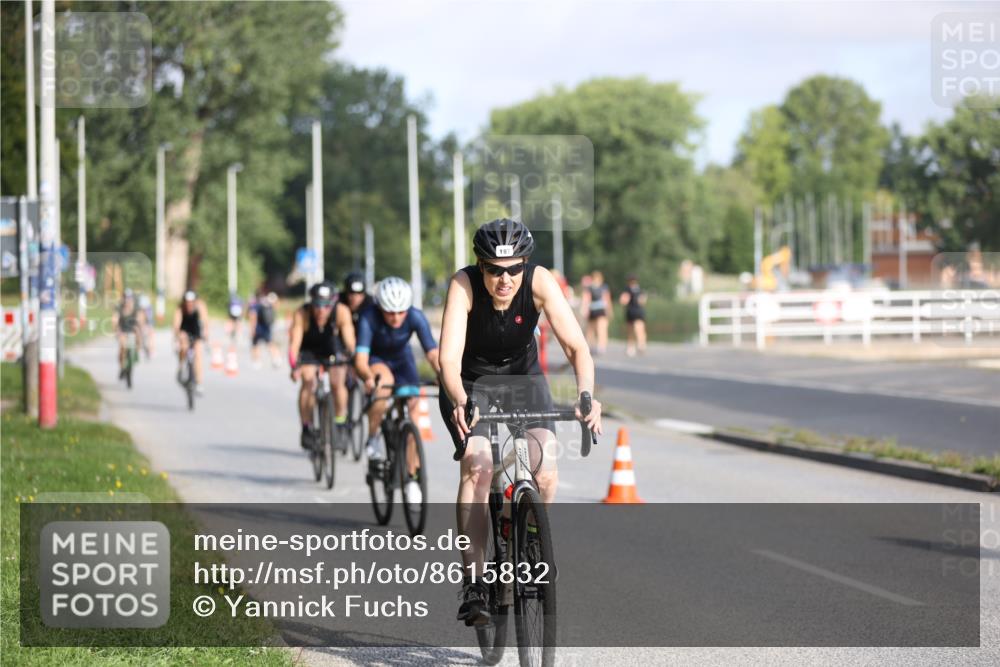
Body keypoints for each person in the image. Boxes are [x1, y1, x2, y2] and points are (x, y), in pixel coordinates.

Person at [437, 218, 603, 625]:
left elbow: (577, 347)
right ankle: (475, 581)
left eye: (514, 268)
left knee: (544, 470)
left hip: (523, 379)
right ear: (480, 266)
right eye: (494, 269)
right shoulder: (463, 285)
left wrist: (585, 395)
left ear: (525, 264)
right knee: (478, 467)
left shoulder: (540, 282)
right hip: (469, 383)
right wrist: (460, 399)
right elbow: (447, 359)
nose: (505, 278)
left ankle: (529, 544)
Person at [354, 277, 440, 498]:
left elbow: (432, 353)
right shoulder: (369, 317)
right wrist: (368, 378)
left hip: (403, 361)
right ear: (380, 307)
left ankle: (411, 477)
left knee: (413, 409)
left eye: (401, 312)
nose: (395, 317)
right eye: (390, 312)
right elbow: (361, 359)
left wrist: (443, 375)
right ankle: (373, 438)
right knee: (383, 386)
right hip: (377, 360)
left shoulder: (416, 316)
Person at [288, 282, 355, 450]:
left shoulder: (341, 311)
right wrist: (294, 365)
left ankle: (339, 423)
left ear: (332, 304)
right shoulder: (302, 313)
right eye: (317, 305)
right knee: (308, 382)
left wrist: (352, 358)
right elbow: (294, 344)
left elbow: (349, 341)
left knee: (337, 382)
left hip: (332, 349)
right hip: (309, 351)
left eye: (326, 306)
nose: (321, 310)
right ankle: (307, 427)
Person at [172, 290, 209, 394]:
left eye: (191, 303)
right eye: (187, 303)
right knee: (183, 346)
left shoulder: (200, 306)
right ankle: (181, 365)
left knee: (198, 355)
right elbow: (176, 324)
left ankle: (199, 382)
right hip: (184, 328)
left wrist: (205, 333)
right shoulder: (180, 309)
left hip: (196, 329)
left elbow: (205, 321)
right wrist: (178, 335)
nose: (189, 305)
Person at [113, 289, 148, 378]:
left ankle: (135, 353)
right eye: (125, 298)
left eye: (129, 298)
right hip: (123, 330)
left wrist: (140, 326)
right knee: (123, 347)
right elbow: (115, 319)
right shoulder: (119, 307)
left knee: (138, 337)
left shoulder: (136, 307)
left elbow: (141, 318)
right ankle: (121, 367)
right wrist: (116, 329)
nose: (127, 300)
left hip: (133, 330)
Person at [579, 270, 612, 355]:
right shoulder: (594, 287)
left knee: (600, 328)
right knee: (592, 329)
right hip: (595, 310)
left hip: (598, 310)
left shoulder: (601, 287)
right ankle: (596, 346)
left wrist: (609, 310)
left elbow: (606, 299)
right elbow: (587, 299)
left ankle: (600, 346)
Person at [249, 290, 281, 369]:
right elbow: (275, 310)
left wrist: (252, 329)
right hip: (267, 328)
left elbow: (253, 317)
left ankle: (257, 361)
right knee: (270, 343)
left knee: (255, 345)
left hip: (258, 328)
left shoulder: (255, 305)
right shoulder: (267, 304)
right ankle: (276, 358)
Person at [619, 275, 648, 356]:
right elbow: (643, 301)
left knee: (635, 329)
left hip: (634, 312)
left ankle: (636, 346)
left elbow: (623, 301)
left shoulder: (628, 290)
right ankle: (640, 345)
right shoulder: (639, 290)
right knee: (637, 329)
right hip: (636, 312)